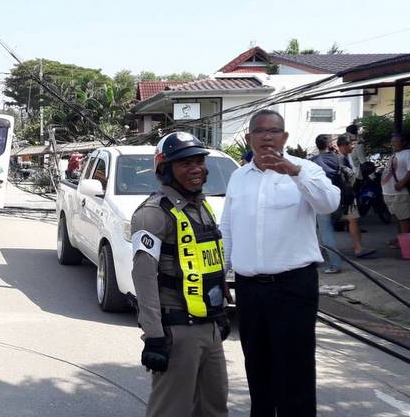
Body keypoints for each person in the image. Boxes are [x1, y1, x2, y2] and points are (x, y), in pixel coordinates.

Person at [220, 109, 339, 416]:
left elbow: (329, 203)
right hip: (250, 289)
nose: (267, 136)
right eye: (259, 131)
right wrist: (223, 273)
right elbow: (229, 229)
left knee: (295, 368)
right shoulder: (238, 177)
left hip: (293, 286)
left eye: (274, 131)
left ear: (284, 137)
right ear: (249, 138)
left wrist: (294, 172)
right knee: (257, 366)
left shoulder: (306, 169)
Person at [131, 131, 230, 417]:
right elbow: (144, 277)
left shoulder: (203, 208)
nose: (196, 168)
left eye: (199, 161)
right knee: (170, 411)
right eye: (185, 163)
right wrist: (154, 336)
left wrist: (221, 310)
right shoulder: (153, 213)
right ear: (165, 170)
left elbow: (209, 264)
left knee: (214, 408)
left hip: (209, 326)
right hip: (177, 330)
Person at [335, 134, 376, 259]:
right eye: (351, 144)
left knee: (352, 220)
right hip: (345, 195)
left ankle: (357, 247)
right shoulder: (338, 159)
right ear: (343, 145)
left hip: (348, 194)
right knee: (353, 219)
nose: (353, 147)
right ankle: (358, 248)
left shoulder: (348, 157)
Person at [309, 134, 345, 273]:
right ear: (330, 144)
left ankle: (334, 265)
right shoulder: (338, 158)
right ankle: (324, 261)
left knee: (324, 233)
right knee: (326, 232)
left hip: (319, 200)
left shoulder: (313, 161)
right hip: (337, 198)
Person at [381, 133, 410, 247]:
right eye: (392, 141)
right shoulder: (396, 154)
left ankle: (405, 243)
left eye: (396, 141)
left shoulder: (409, 154)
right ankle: (400, 239)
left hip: (402, 193)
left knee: (405, 219)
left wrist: (402, 183)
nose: (393, 144)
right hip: (390, 192)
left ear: (404, 142)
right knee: (399, 218)